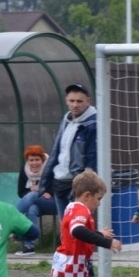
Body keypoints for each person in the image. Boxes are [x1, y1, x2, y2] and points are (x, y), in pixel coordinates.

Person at [39, 83, 97, 220]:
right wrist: (47, 181)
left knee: (78, 225)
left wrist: (85, 181)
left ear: (88, 101)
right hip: (59, 180)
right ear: (66, 100)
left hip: (77, 183)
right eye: (72, 101)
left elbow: (92, 156)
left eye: (79, 101)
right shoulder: (66, 120)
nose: (75, 105)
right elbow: (57, 151)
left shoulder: (93, 124)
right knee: (65, 225)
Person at [15, 144, 57, 255]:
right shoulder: (24, 170)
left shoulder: (50, 168)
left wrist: (43, 190)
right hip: (38, 203)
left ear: (42, 160)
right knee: (32, 209)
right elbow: (21, 192)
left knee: (33, 195)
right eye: (31, 160)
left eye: (37, 160)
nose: (34, 163)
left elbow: (58, 187)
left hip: (53, 202)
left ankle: (11, 219)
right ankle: (29, 246)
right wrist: (37, 191)